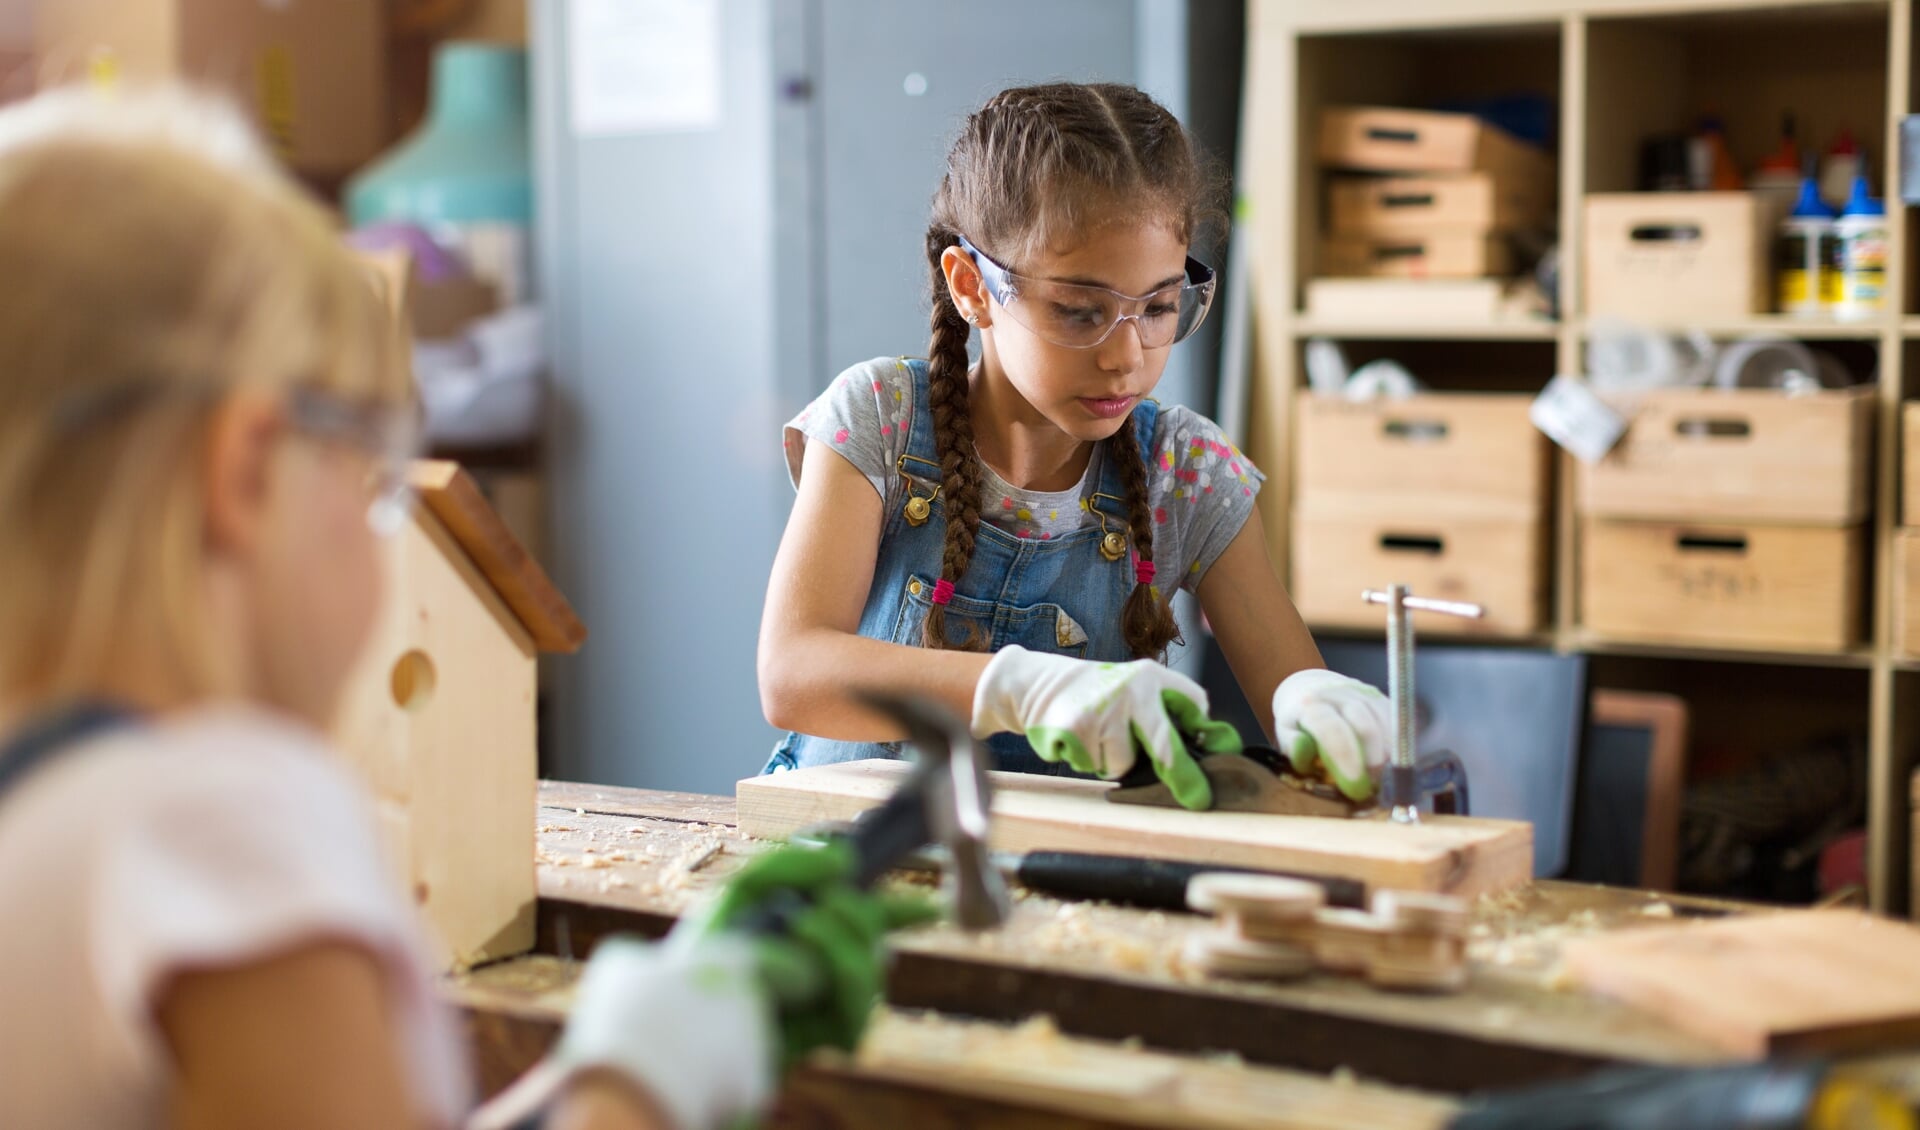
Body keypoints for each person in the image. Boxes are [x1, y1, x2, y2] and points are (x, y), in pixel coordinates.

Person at [0, 87, 922, 1130]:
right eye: (373, 476)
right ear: (246, 473)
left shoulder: (51, 817)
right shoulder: (214, 819)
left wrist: (599, 1069)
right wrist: (647, 1081)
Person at [759, 82, 1393, 811]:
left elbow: (1290, 690)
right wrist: (1025, 690)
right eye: (1080, 309)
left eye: (1158, 306)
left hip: (1070, 898)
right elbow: (792, 674)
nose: (1128, 356)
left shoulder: (1184, 472)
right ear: (971, 286)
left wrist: (1320, 703)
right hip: (838, 869)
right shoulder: (880, 417)